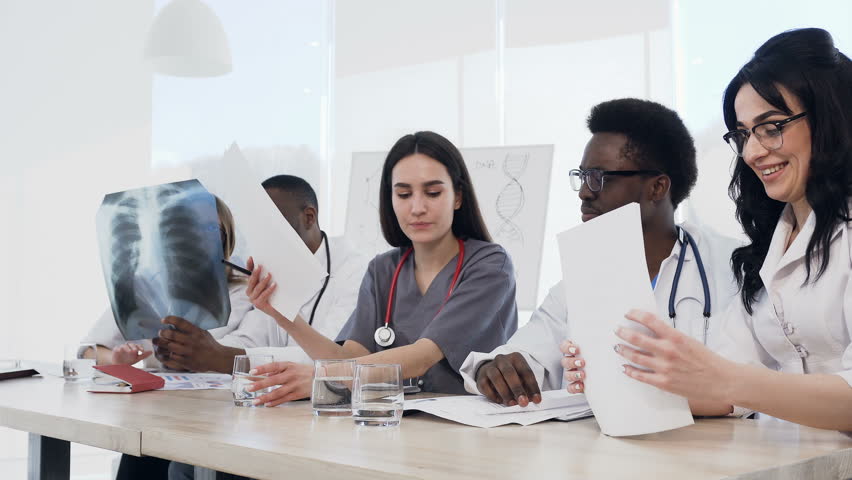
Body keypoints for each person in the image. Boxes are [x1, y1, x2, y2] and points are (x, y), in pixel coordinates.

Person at [565, 28, 852, 430]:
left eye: (771, 127)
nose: (752, 152)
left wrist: (728, 379)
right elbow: (724, 389)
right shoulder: (773, 243)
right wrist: (613, 378)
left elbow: (733, 380)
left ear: (829, 119)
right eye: (743, 134)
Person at [460, 98, 741, 409]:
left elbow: (747, 387)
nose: (584, 192)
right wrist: (495, 368)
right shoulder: (579, 280)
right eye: (581, 177)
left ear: (657, 188)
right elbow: (528, 354)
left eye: (599, 177)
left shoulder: (731, 267)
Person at [245, 130, 518, 405]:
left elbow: (423, 356)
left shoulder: (490, 266)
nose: (417, 207)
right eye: (403, 194)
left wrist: (322, 375)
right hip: (392, 426)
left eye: (433, 193)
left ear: (458, 197)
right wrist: (284, 315)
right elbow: (348, 360)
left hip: (470, 433)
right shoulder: (383, 270)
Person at [152, 175, 367, 373]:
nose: (263, 235)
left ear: (309, 217)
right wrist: (189, 351)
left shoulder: (356, 273)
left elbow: (331, 356)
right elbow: (250, 340)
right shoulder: (277, 267)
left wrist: (220, 357)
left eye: (270, 222)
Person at [82, 196, 254, 370]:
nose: (197, 238)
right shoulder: (143, 288)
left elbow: (254, 356)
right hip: (159, 394)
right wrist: (115, 359)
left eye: (211, 229)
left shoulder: (246, 292)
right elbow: (87, 351)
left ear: (226, 240)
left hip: (221, 395)